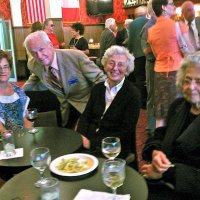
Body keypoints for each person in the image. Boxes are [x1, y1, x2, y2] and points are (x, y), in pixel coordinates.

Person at [141, 52, 200, 200]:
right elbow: (161, 134)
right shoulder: (179, 105)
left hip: (187, 191)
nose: (191, 87)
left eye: (199, 81)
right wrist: (155, 151)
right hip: (162, 180)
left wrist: (167, 173)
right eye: (187, 80)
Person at [22, 31, 106, 127]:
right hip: (65, 109)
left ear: (50, 45)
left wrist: (97, 104)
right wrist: (20, 92)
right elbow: (35, 76)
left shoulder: (76, 57)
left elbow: (100, 79)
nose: (39, 56)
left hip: (87, 106)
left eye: (41, 49)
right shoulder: (33, 64)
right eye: (34, 53)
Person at [77, 45, 140, 160]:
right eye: (111, 63)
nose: (115, 68)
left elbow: (126, 131)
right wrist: (80, 136)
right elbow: (85, 116)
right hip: (88, 140)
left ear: (127, 69)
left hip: (113, 147)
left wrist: (92, 143)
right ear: (105, 65)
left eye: (120, 64)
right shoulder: (97, 88)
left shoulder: (133, 94)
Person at [148, 0, 189, 128]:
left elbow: (155, 55)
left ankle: (159, 141)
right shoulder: (176, 26)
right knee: (180, 108)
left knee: (161, 111)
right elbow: (185, 50)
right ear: (164, 7)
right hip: (176, 71)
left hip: (159, 73)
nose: (174, 6)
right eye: (171, 4)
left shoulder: (151, 30)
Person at [0, 50, 31, 132]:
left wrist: (26, 138)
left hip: (22, 139)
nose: (2, 71)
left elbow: (27, 118)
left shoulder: (18, 91)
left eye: (5, 66)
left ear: (10, 69)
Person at [140, 0, 157, 135]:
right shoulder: (149, 26)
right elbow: (146, 51)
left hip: (160, 66)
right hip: (152, 66)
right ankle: (151, 127)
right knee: (152, 96)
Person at [128, 6, 149, 109]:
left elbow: (130, 41)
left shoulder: (131, 24)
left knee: (139, 79)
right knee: (149, 78)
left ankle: (141, 102)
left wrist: (129, 52)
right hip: (149, 54)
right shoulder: (149, 22)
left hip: (137, 56)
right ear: (146, 13)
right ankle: (149, 100)